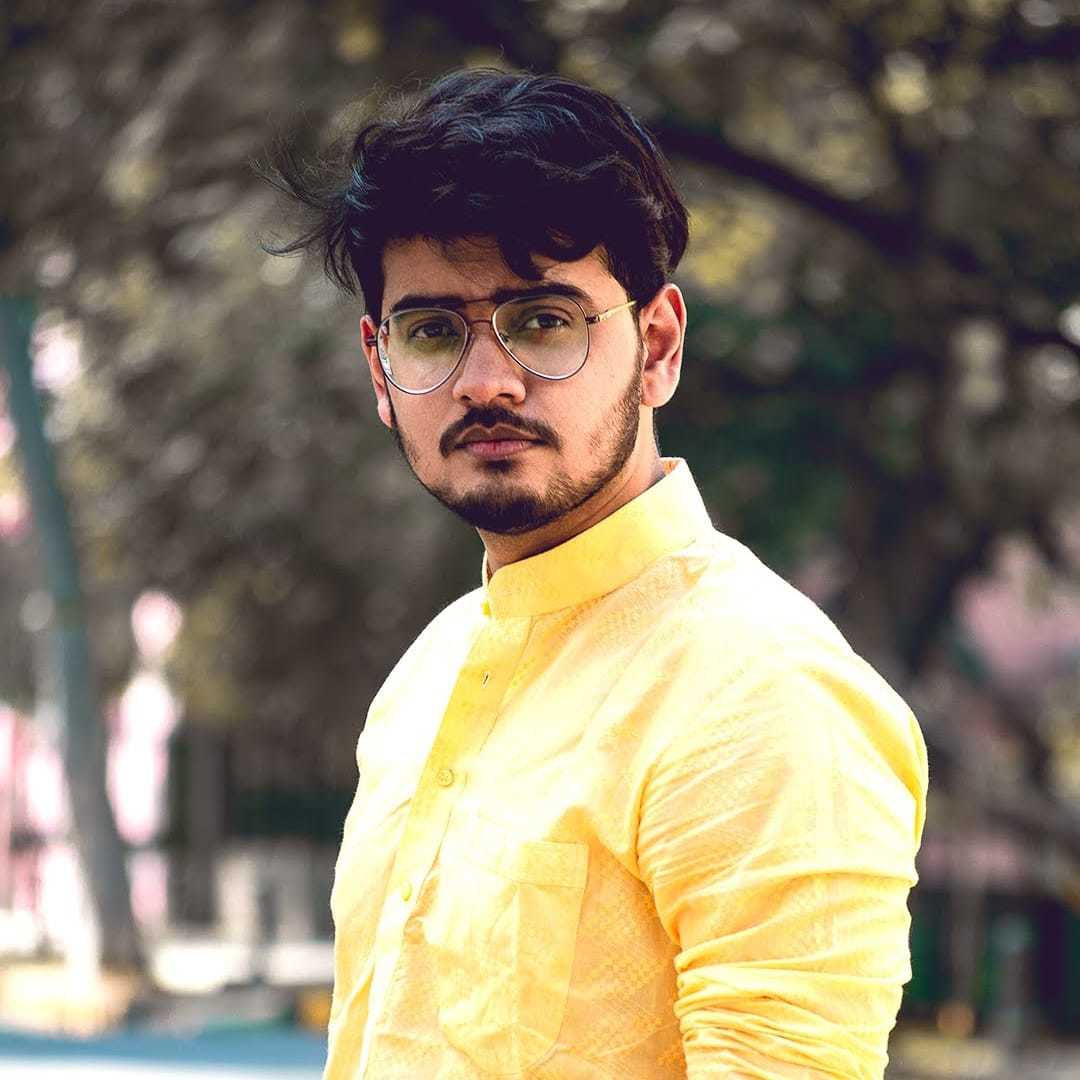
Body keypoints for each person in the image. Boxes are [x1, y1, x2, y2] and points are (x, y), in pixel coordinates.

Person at [267, 68, 928, 1079]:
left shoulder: (760, 693)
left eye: (543, 320)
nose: (487, 382)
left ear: (656, 346)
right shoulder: (427, 677)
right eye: (433, 332)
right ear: (380, 368)